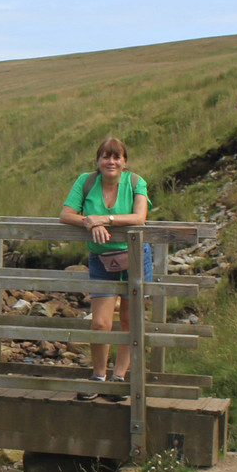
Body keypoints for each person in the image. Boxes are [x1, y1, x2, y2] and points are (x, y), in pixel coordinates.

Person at [59, 137, 152, 401]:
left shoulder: (136, 182)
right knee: (100, 323)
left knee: (129, 321)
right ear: (98, 161)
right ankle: (98, 376)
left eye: (116, 157)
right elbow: (66, 215)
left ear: (125, 162)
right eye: (106, 156)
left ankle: (118, 377)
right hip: (101, 259)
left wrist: (105, 219)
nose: (111, 161)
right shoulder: (86, 181)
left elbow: (139, 218)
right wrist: (90, 222)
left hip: (135, 258)